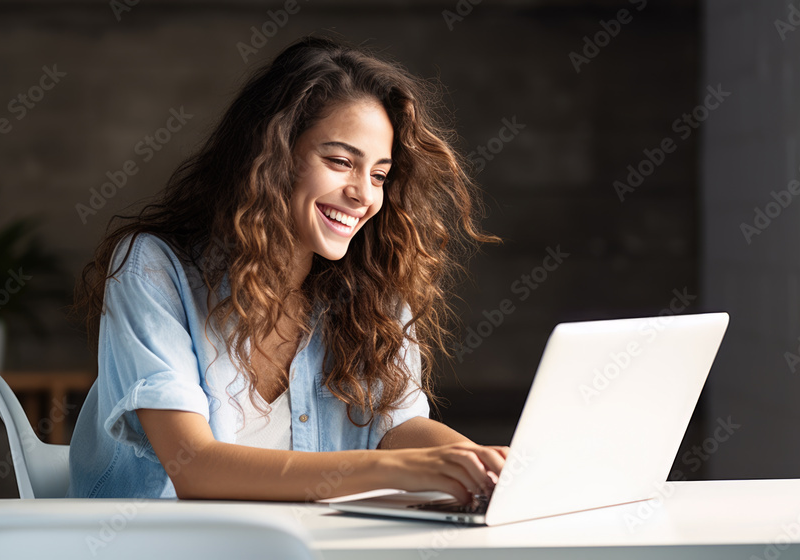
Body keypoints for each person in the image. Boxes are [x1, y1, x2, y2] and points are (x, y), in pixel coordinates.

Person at [66, 35, 508, 505]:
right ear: (271, 157)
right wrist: (395, 469)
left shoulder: (370, 289)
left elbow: (399, 429)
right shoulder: (153, 268)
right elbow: (191, 466)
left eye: (379, 174)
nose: (364, 194)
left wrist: (484, 466)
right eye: (340, 162)